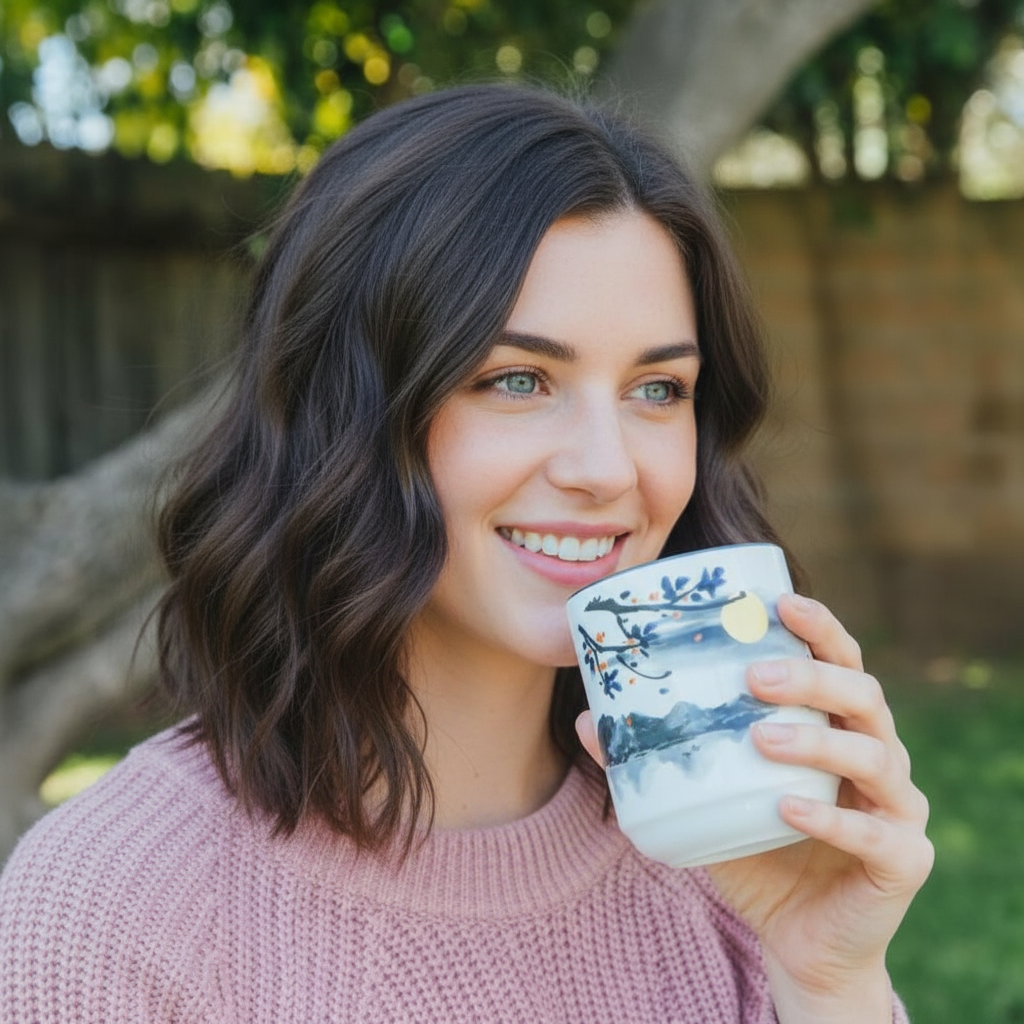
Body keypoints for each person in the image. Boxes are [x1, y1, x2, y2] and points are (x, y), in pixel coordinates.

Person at [0, 83, 932, 1023]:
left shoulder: (741, 871)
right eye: (518, 379)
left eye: (658, 389)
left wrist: (830, 985)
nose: (608, 469)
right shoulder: (115, 905)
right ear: (348, 413)